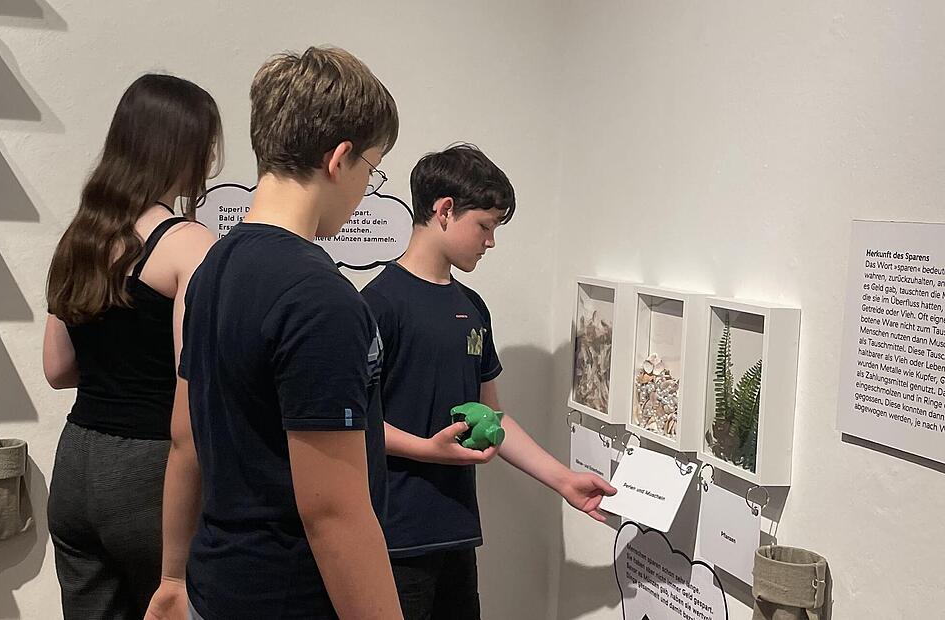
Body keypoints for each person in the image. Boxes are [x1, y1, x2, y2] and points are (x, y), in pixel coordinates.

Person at [145, 46, 402, 620]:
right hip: (292, 597)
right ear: (340, 159)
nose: (367, 185)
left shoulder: (211, 268)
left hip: (217, 583)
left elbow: (185, 438)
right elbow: (334, 513)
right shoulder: (320, 299)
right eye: (372, 168)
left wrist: (172, 574)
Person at [361, 144, 617, 619]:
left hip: (457, 531)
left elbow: (494, 417)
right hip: (393, 537)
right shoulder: (377, 305)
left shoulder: (473, 307)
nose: (491, 242)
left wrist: (564, 481)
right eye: (485, 226)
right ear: (444, 210)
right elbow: (354, 424)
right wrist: (427, 449)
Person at [41, 73, 222, 620]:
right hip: (150, 469)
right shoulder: (189, 244)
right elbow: (194, 394)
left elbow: (57, 368)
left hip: (76, 464)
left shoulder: (82, 236)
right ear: (184, 149)